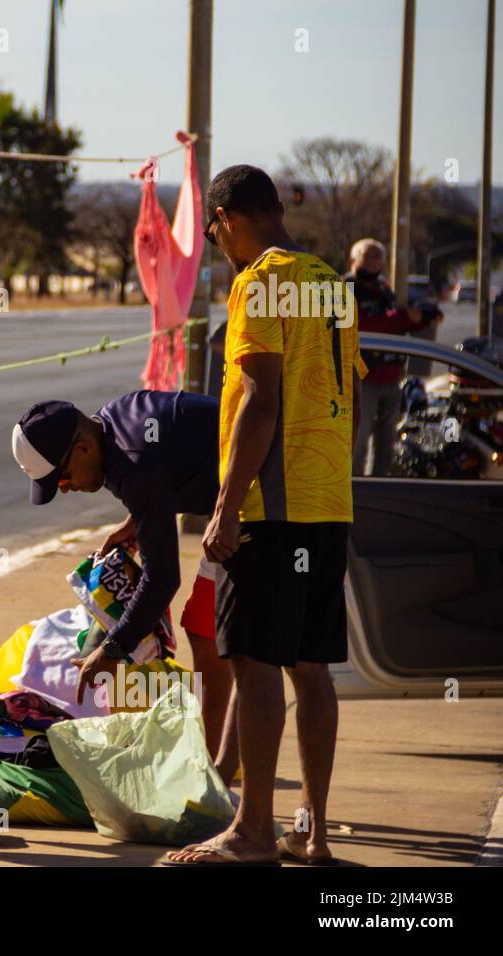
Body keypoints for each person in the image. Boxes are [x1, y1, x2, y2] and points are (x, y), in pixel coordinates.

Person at [165, 165, 366, 867]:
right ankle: (312, 832)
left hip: (269, 509)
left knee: (253, 662)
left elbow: (258, 398)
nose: (218, 241)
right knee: (311, 670)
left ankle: (252, 831)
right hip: (326, 501)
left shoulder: (259, 283)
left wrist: (224, 508)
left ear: (224, 218)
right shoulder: (333, 285)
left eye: (214, 229)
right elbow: (355, 401)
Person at [11, 391, 237, 779]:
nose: (64, 488)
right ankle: (215, 768)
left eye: (61, 478)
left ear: (82, 448)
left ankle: (211, 777)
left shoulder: (132, 467)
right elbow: (175, 458)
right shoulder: (112, 420)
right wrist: (141, 519)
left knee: (218, 638)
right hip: (242, 505)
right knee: (207, 633)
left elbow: (163, 578)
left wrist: (112, 649)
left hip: (265, 506)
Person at [344, 238, 423, 475]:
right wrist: (405, 317)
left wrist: (423, 318)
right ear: (353, 259)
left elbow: (396, 325)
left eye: (378, 257)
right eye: (367, 256)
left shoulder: (384, 289)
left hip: (391, 376)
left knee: (387, 439)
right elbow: (364, 324)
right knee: (359, 437)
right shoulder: (346, 287)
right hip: (362, 376)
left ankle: (381, 488)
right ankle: (354, 490)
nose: (373, 262)